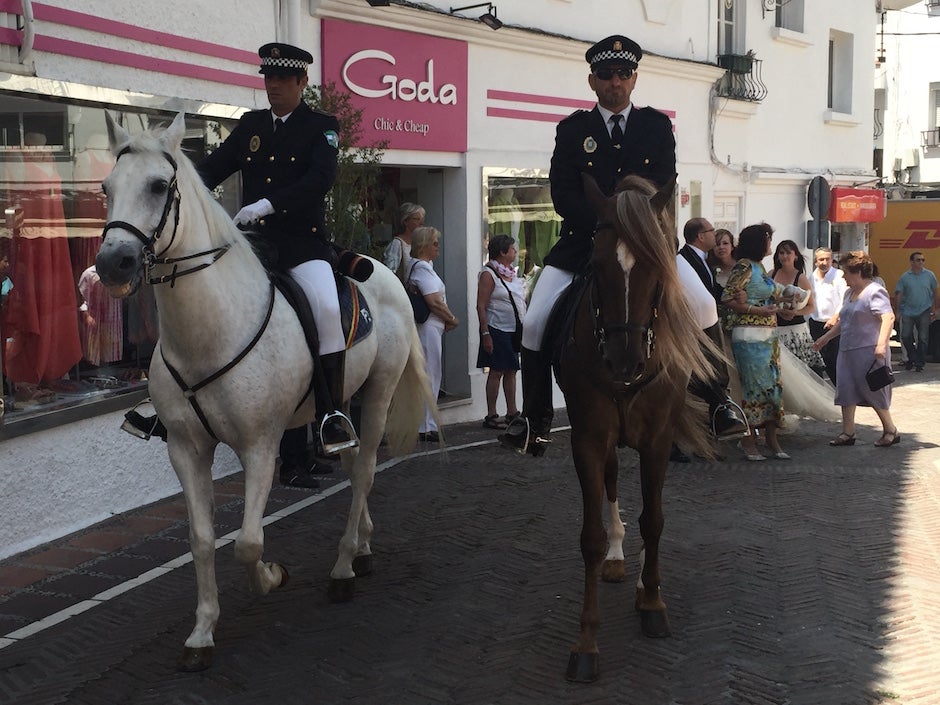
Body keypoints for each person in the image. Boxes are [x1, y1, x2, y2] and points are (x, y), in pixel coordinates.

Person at [143, 42, 353, 489]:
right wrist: (167, 177)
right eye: (267, 79)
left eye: (282, 80)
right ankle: (168, 404)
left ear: (301, 83)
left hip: (301, 244)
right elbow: (212, 169)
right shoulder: (251, 125)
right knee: (197, 298)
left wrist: (268, 203)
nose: (272, 86)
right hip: (250, 244)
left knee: (328, 310)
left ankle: (332, 413)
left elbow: (320, 180)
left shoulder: (322, 127)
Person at [500, 34, 676, 456]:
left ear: (634, 79)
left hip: (647, 247)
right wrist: (608, 224)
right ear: (592, 81)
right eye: (605, 74)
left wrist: (636, 228)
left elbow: (664, 185)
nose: (614, 81)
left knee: (703, 305)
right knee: (537, 320)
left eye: (622, 73)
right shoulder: (573, 130)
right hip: (583, 245)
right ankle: (535, 417)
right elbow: (562, 194)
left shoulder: (656, 126)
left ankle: (715, 401)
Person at [721, 223, 806, 462]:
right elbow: (727, 297)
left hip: (768, 336)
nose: (771, 245)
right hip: (749, 335)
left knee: (772, 387)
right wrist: (755, 310)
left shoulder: (759, 267)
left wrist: (782, 308)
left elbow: (768, 297)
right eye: (769, 240)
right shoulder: (745, 266)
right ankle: (749, 439)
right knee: (753, 387)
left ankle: (771, 438)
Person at [813, 251, 899, 447]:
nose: (843, 276)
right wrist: (825, 339)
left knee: (874, 391)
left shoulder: (875, 291)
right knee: (846, 390)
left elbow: (888, 317)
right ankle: (848, 432)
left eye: (846, 272)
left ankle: (890, 430)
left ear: (858, 271)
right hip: (847, 350)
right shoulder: (849, 293)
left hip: (869, 351)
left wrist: (881, 344)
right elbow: (844, 321)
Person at [675, 218, 748, 440]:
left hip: (707, 322)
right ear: (701, 236)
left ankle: (717, 417)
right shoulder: (683, 260)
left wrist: (733, 296)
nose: (714, 235)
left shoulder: (703, 260)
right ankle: (719, 412)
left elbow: (711, 290)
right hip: (696, 328)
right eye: (711, 230)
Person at [408, 226, 459, 442]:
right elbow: (434, 301)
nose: (438, 247)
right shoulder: (422, 268)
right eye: (435, 243)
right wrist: (452, 318)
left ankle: (427, 423)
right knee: (430, 373)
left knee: (431, 372)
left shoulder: (426, 266)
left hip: (432, 326)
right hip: (428, 326)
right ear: (424, 246)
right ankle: (425, 425)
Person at [476, 234, 525, 430]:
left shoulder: (511, 273)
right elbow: (481, 305)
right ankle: (491, 414)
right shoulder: (489, 274)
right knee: (496, 371)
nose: (515, 252)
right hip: (497, 328)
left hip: (513, 329)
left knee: (511, 370)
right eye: (512, 249)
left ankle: (512, 411)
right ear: (503, 252)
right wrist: (485, 333)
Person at [771, 240, 826, 376]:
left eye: (788, 253)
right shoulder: (771, 274)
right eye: (781, 253)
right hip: (775, 327)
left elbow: (811, 306)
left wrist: (796, 312)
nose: (784, 256)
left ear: (795, 256)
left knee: (800, 371)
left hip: (795, 331)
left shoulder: (800, 278)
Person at [894, 251, 937, 372]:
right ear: (912, 262)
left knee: (923, 338)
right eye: (918, 260)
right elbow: (899, 293)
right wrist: (897, 311)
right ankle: (912, 357)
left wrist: (934, 308)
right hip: (907, 311)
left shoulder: (929, 275)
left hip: (924, 310)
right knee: (905, 336)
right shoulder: (905, 277)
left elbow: (935, 291)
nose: (921, 262)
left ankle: (919, 362)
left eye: (923, 260)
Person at [808, 247, 846, 385]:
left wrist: (836, 317)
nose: (824, 262)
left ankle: (842, 392)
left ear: (831, 260)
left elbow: (844, 299)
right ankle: (820, 392)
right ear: (815, 261)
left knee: (833, 361)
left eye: (827, 259)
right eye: (821, 259)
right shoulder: (811, 277)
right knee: (816, 361)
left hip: (833, 324)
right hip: (815, 323)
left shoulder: (839, 275)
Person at [383, 202, 425, 281]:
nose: (421, 223)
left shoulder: (421, 243)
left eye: (422, 219)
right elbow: (389, 272)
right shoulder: (398, 243)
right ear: (405, 221)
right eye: (417, 219)